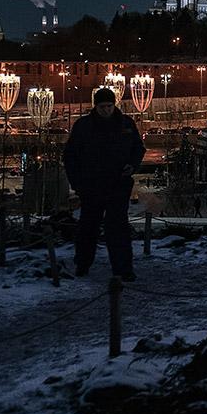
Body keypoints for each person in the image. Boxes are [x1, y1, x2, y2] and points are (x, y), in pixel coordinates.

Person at [63, 87, 145, 280]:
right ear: (96, 106)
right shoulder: (84, 126)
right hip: (92, 186)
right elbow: (70, 156)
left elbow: (138, 149)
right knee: (88, 227)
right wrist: (77, 183)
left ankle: (123, 269)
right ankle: (82, 264)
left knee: (118, 228)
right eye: (102, 107)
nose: (106, 110)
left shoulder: (126, 124)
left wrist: (132, 166)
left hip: (118, 184)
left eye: (109, 106)